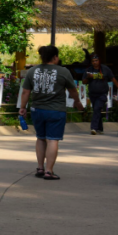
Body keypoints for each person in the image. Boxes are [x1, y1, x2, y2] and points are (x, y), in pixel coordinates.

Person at [19, 45, 84, 181]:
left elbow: (25, 91)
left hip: (37, 110)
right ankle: (49, 171)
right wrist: (77, 102)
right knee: (52, 139)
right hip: (56, 111)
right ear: (55, 57)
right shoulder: (63, 71)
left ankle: (40, 168)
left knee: (41, 137)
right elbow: (73, 90)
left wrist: (23, 107)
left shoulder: (33, 71)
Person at [83, 53, 118, 135]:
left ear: (99, 61)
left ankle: (94, 128)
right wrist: (87, 77)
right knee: (97, 110)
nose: (95, 62)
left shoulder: (105, 69)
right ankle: (100, 128)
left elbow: (113, 79)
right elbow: (83, 81)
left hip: (102, 94)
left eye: (96, 60)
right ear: (91, 62)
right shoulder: (88, 70)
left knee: (96, 109)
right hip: (92, 94)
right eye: (93, 61)